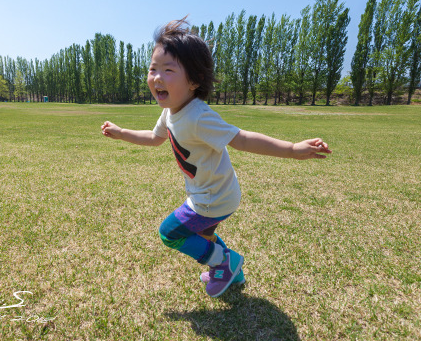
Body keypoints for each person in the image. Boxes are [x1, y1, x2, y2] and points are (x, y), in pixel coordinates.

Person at [101, 17, 331, 298]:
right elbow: (154, 138)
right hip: (209, 192)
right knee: (205, 236)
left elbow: (242, 138)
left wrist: (292, 149)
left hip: (212, 198)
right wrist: (121, 132)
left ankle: (224, 262)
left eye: (168, 70)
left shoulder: (198, 116)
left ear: (194, 81)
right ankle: (234, 273)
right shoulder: (170, 112)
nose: (157, 77)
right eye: (153, 69)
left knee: (169, 233)